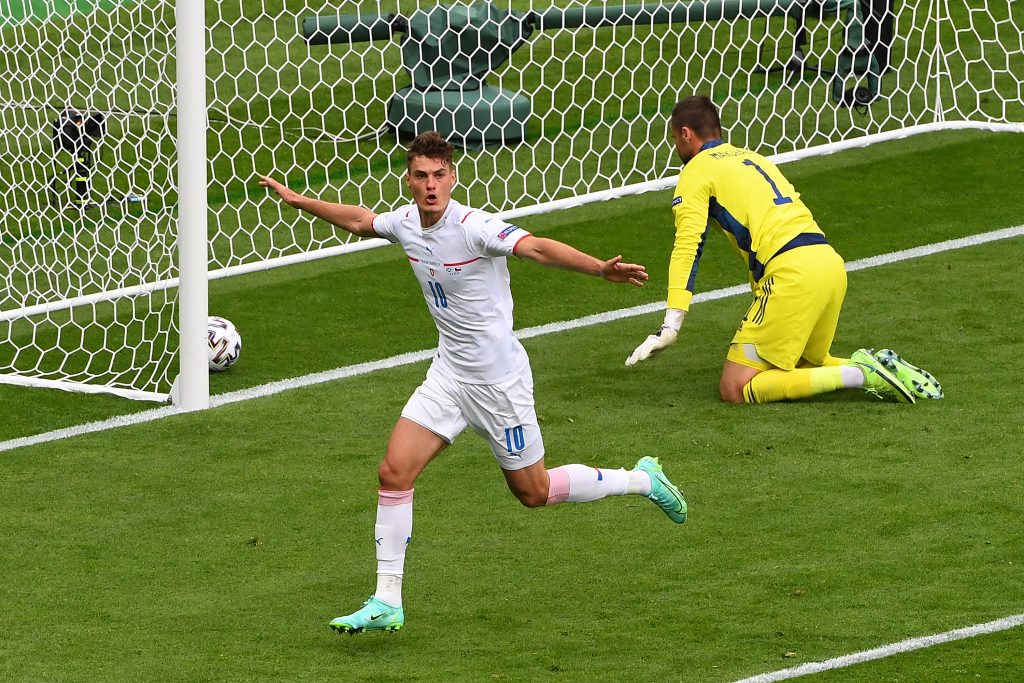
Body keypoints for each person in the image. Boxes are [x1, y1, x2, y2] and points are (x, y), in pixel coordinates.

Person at [260, 131, 687, 635]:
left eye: (439, 175)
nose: (430, 185)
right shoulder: (405, 223)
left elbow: (536, 248)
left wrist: (599, 269)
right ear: (409, 180)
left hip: (499, 385)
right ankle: (387, 599)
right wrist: (299, 200)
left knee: (534, 491)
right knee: (394, 472)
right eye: (421, 176)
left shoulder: (475, 228)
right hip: (448, 375)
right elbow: (359, 219)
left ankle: (642, 479)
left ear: (453, 178)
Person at [625, 95, 943, 405]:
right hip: (829, 264)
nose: (676, 147)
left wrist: (671, 325)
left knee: (734, 387)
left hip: (791, 275)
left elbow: (688, 247)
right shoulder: (753, 158)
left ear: (685, 133)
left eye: (674, 138)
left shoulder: (696, 171)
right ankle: (880, 365)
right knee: (800, 365)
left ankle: (860, 374)